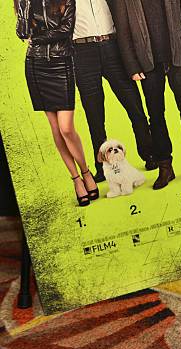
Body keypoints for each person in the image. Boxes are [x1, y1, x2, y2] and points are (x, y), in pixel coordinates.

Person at [113, 0, 181, 190]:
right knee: (156, 117)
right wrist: (132, 66)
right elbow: (123, 32)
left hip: (178, 57)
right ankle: (165, 166)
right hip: (147, 64)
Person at [16, 0, 99, 207]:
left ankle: (86, 171)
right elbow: (22, 32)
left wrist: (38, 38)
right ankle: (76, 179)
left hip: (61, 62)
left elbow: (65, 30)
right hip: (36, 65)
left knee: (66, 128)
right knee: (55, 129)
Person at [73, 0, 156, 183]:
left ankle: (149, 154)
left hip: (112, 47)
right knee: (94, 115)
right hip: (82, 52)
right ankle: (102, 167)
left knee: (134, 106)